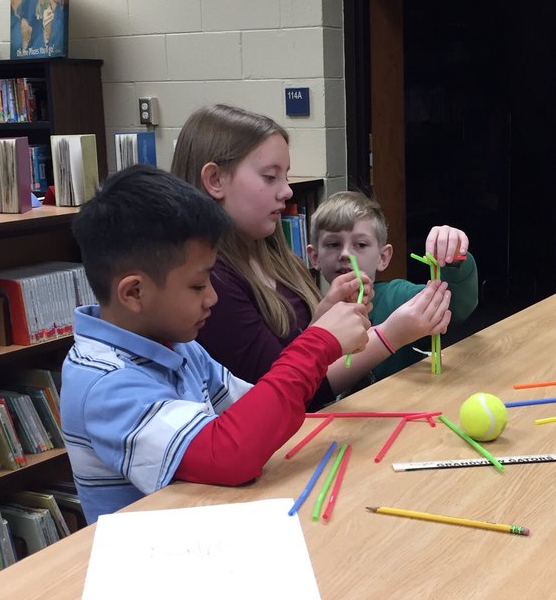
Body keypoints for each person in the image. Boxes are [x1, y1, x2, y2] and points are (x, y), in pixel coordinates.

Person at [61, 164, 370, 522]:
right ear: (134, 292)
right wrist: (318, 344)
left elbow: (258, 413)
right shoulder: (103, 382)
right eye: (198, 285)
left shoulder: (175, 346)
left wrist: (318, 323)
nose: (212, 298)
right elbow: (229, 454)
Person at [170, 104, 451, 405]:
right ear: (215, 180)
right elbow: (288, 391)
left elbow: (296, 349)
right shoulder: (212, 284)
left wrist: (324, 316)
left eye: (286, 177)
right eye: (270, 177)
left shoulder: (272, 256)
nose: (288, 191)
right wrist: (390, 335)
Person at [308, 191, 478, 383]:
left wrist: (454, 260)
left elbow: (453, 305)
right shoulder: (312, 314)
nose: (346, 253)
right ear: (314, 257)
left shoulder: (397, 297)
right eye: (333, 244)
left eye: (361, 244)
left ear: (383, 257)